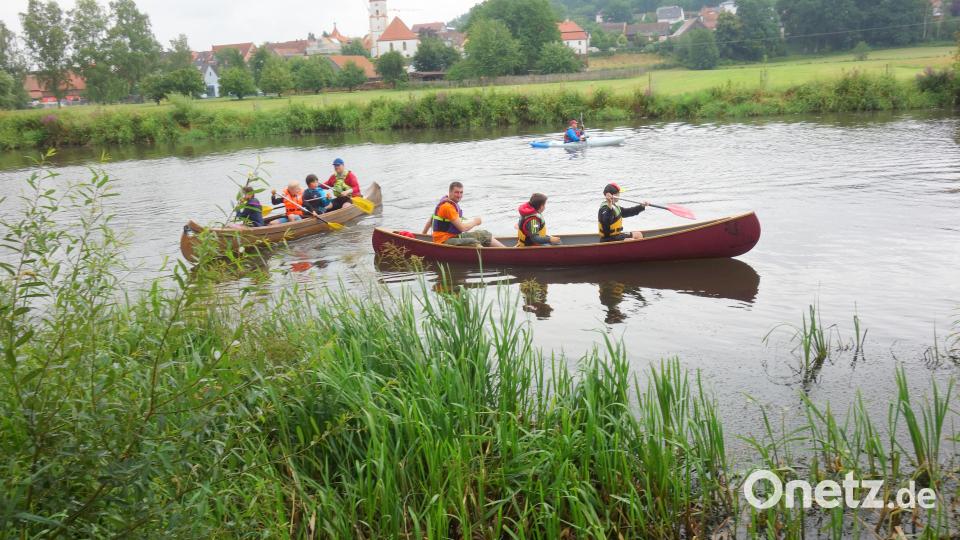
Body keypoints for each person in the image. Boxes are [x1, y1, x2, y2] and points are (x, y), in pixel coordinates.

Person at [422, 181, 506, 247]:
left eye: (461, 192)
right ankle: (495, 256)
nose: (459, 195)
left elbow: (430, 220)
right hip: (444, 241)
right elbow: (463, 228)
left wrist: (423, 236)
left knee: (484, 234)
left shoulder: (445, 201)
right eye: (456, 192)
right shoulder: (448, 207)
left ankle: (505, 250)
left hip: (452, 237)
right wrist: (475, 222)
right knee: (473, 242)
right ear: (450, 192)